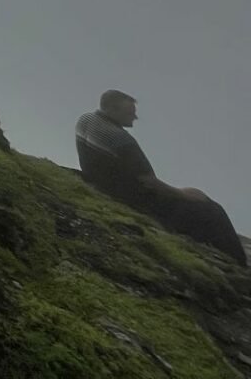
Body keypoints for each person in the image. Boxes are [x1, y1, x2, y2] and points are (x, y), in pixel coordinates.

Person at [75, 90, 246, 266]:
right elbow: (148, 181)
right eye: (130, 113)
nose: (135, 117)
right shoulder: (119, 138)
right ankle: (238, 264)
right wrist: (183, 193)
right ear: (112, 108)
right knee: (211, 211)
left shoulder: (85, 121)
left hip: (106, 186)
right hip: (138, 201)